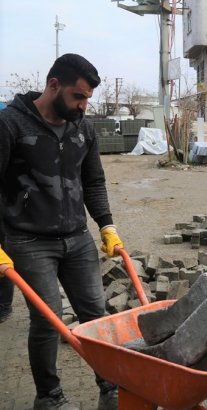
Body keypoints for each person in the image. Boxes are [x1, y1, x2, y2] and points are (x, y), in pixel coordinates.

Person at [0, 53, 124, 410]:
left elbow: (94, 181)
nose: (84, 105)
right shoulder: (10, 125)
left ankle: (111, 386)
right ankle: (49, 397)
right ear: (54, 85)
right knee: (48, 318)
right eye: (78, 96)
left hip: (77, 237)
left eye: (87, 99)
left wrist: (107, 226)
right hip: (27, 239)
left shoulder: (82, 127)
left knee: (95, 314)